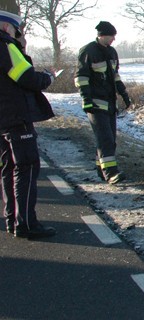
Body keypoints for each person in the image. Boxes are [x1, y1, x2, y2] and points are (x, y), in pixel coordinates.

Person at [0, 2, 57, 238]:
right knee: (27, 167)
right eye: (16, 30)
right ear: (6, 26)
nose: (18, 34)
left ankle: (12, 220)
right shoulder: (5, 45)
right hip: (16, 117)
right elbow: (25, 76)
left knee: (8, 168)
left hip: (3, 119)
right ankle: (26, 224)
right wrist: (48, 78)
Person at [74, 21, 131, 184]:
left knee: (110, 139)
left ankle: (101, 169)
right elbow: (81, 78)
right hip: (95, 103)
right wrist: (86, 99)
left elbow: (115, 76)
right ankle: (110, 173)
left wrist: (124, 94)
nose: (114, 39)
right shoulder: (88, 51)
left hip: (110, 103)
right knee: (104, 138)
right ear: (103, 35)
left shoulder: (112, 52)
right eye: (112, 36)